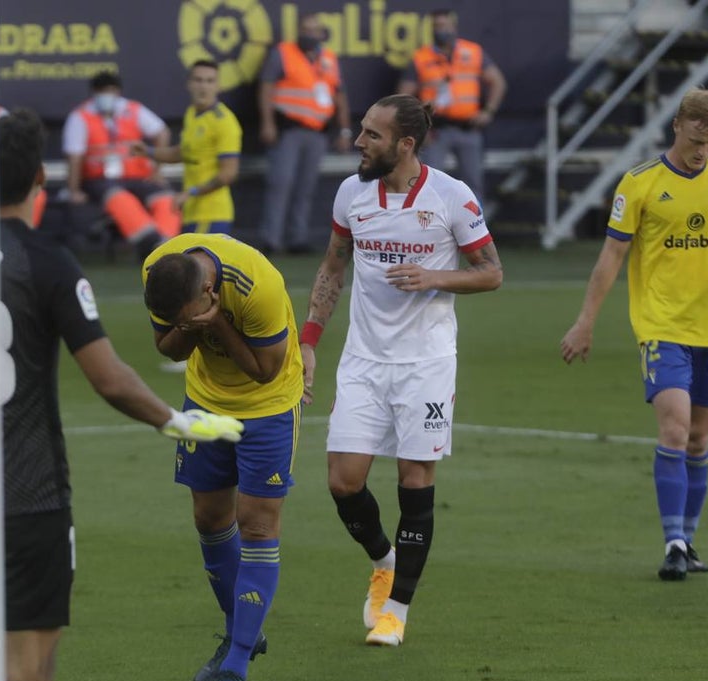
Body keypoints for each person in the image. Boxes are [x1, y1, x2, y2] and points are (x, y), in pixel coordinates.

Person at [0, 109, 244, 681]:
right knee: (27, 669)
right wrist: (177, 419)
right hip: (31, 496)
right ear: (37, 179)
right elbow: (108, 378)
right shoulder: (48, 262)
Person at [299, 94, 502, 647]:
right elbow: (333, 265)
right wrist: (309, 341)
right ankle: (384, 559)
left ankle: (397, 610)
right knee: (344, 483)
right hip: (363, 360)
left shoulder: (451, 198)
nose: (358, 143)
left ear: (405, 144)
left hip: (427, 364)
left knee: (415, 481)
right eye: (361, 132)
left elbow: (490, 273)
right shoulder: (351, 194)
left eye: (371, 135)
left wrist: (436, 277)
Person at [560, 87, 708, 581]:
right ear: (678, 125)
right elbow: (611, 257)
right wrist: (586, 320)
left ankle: (688, 540)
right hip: (662, 326)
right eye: (697, 139)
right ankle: (673, 542)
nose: (703, 151)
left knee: (699, 437)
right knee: (674, 427)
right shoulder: (640, 184)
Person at [142, 232, 304, 681]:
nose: (180, 323)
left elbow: (265, 370)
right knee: (209, 519)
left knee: (257, 526)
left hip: (268, 405)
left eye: (189, 312)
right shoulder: (159, 270)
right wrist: (189, 326)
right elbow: (169, 349)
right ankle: (243, 634)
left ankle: (235, 664)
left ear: (210, 292)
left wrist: (217, 325)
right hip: (205, 403)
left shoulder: (259, 286)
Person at [257, 12, 353, 254]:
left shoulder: (328, 58)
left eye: (314, 30)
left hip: (318, 131)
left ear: (322, 34)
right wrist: (267, 123)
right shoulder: (283, 52)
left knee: (306, 187)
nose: (310, 35)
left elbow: (339, 95)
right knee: (280, 184)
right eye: (305, 30)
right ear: (298, 31)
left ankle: (297, 237)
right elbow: (266, 87)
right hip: (288, 129)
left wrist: (344, 129)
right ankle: (271, 239)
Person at [62, 71, 180, 259]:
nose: (106, 96)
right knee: (120, 198)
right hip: (100, 179)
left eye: (110, 91)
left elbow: (162, 132)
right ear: (93, 93)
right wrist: (74, 189)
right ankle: (151, 244)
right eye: (102, 91)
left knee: (165, 198)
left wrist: (157, 169)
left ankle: (168, 246)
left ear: (118, 92)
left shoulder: (132, 109)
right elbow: (74, 156)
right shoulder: (80, 116)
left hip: (138, 176)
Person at [398, 8, 506, 202]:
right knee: (429, 183)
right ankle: (431, 229)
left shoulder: (472, 51)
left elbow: (498, 81)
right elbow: (403, 97)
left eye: (445, 25)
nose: (441, 30)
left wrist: (488, 111)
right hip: (435, 131)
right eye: (437, 26)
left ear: (454, 26)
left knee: (473, 185)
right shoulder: (421, 58)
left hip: (468, 128)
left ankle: (474, 230)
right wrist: (417, 129)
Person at [134, 60, 242, 235]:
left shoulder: (224, 122)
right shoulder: (192, 113)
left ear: (218, 86)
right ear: (189, 84)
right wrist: (148, 151)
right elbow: (182, 152)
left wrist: (190, 192)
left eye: (210, 81)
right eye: (198, 80)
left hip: (212, 214)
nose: (203, 87)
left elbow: (228, 173)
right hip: (192, 212)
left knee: (197, 262)